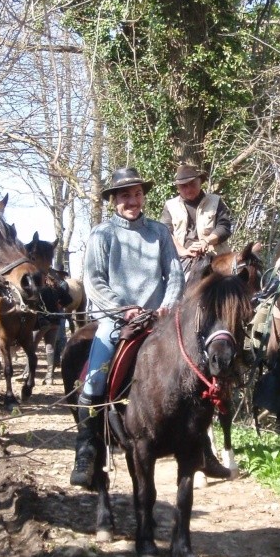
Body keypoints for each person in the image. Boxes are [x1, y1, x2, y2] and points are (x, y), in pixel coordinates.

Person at [70, 167, 185, 488]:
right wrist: (125, 308)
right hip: (116, 319)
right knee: (94, 379)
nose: (133, 201)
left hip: (158, 318)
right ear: (114, 200)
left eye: (137, 194)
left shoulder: (160, 233)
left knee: (191, 365)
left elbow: (174, 274)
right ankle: (86, 448)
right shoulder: (101, 235)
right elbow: (94, 281)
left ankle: (197, 443)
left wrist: (167, 305)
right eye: (125, 195)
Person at [160, 164, 232, 277]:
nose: (189, 189)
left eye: (192, 184)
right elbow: (165, 232)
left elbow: (224, 228)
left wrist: (206, 242)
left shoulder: (215, 201)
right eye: (184, 186)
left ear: (200, 182)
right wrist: (183, 251)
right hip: (182, 259)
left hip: (216, 258)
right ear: (178, 188)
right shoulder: (170, 206)